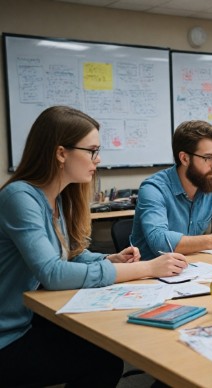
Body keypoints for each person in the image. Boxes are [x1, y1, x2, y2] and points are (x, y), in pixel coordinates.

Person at [0, 106, 188, 387]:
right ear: (61, 153)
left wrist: (109, 260)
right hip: (9, 337)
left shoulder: (58, 198)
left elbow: (70, 255)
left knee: (107, 343)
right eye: (91, 151)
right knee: (103, 358)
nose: (97, 159)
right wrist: (145, 267)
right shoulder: (20, 197)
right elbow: (52, 273)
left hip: (31, 319)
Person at [132, 120, 212, 259]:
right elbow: (159, 241)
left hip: (192, 270)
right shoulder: (153, 189)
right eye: (208, 158)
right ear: (184, 158)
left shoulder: (210, 187)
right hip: (150, 276)